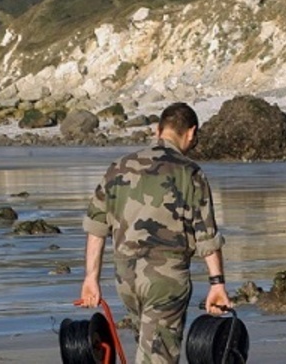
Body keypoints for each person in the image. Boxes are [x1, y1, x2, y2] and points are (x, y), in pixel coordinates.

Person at [79, 102, 231, 364]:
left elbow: (96, 229)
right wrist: (217, 284)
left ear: (156, 130)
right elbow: (206, 236)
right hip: (166, 279)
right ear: (191, 133)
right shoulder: (190, 172)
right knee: (156, 356)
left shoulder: (119, 167)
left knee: (148, 349)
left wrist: (91, 279)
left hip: (125, 280)